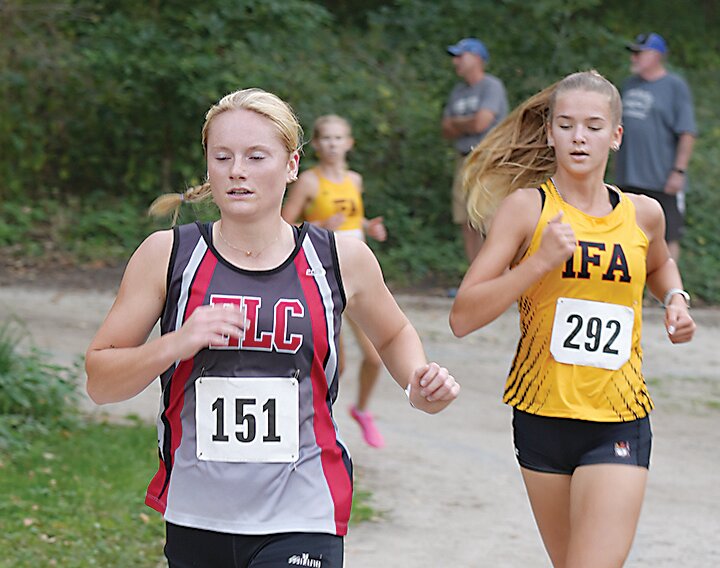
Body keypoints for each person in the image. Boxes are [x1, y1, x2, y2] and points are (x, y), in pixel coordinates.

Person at [85, 88, 460, 568]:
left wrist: (416, 381)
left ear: (291, 165)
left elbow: (391, 333)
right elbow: (100, 380)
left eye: (256, 156)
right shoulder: (168, 255)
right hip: (198, 514)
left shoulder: (339, 258)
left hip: (304, 509)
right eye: (222, 157)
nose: (236, 170)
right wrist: (177, 343)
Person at [449, 71, 695, 568]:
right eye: (566, 125)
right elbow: (462, 316)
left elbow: (660, 261)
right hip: (542, 417)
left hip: (619, 418)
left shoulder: (644, 213)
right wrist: (538, 263)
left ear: (616, 135)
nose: (579, 137)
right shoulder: (526, 210)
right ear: (549, 133)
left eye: (593, 125)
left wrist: (675, 297)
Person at [281, 114, 388, 448]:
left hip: (357, 277)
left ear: (350, 143)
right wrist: (320, 225)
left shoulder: (354, 180)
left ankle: (361, 410)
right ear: (317, 144)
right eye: (326, 138)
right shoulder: (309, 182)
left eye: (339, 138)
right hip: (321, 277)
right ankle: (310, 425)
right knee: (333, 365)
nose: (332, 144)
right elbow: (282, 224)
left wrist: (369, 226)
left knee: (375, 356)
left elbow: (352, 218)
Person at [615, 32, 697, 263]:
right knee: (627, 232)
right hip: (628, 175)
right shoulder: (629, 85)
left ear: (657, 56)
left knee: (668, 234)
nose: (634, 58)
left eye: (639, 53)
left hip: (662, 177)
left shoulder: (674, 86)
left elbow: (687, 131)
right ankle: (633, 290)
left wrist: (678, 171)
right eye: (633, 53)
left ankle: (667, 295)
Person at [442, 37, 509, 263]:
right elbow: (446, 129)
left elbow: (481, 123)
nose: (456, 62)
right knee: (465, 219)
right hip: (463, 159)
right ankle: (474, 275)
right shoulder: (457, 91)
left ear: (478, 58)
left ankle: (497, 272)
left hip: (488, 159)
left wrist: (457, 122)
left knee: (488, 217)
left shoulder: (492, 86)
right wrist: (467, 122)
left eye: (460, 56)